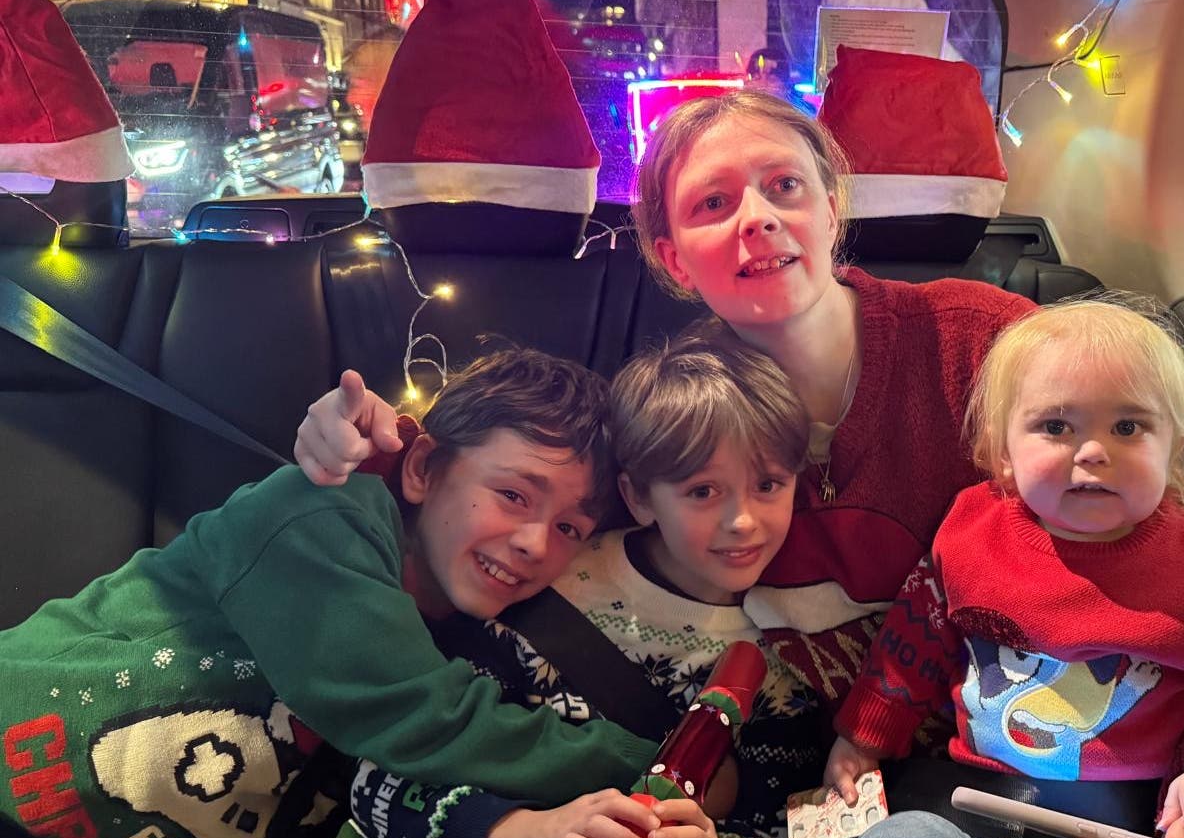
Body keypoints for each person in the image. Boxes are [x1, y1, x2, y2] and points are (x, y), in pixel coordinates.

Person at [293, 89, 1036, 714]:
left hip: (1009, 731)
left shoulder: (983, 341)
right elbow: (500, 516)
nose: (758, 217)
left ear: (833, 210)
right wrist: (362, 453)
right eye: (714, 202)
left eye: (785, 186)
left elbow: (1139, 493)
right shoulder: (669, 414)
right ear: (674, 254)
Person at [0, 350, 662, 838]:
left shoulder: (470, 636)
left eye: (570, 527)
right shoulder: (319, 516)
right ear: (425, 466)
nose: (535, 542)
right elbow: (424, 717)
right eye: (513, 494)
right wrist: (661, 765)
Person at [823, 295, 1184, 838]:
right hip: (980, 815)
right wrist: (865, 734)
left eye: (1128, 427)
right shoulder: (971, 533)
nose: (1094, 451)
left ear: (1175, 448)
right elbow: (915, 636)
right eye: (1056, 426)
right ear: (1001, 451)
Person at [343, 335, 833, 838]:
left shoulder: (799, 647)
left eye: (769, 485)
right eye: (702, 491)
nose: (742, 520)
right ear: (640, 497)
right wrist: (510, 831)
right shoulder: (544, 581)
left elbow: (797, 835)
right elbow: (382, 782)